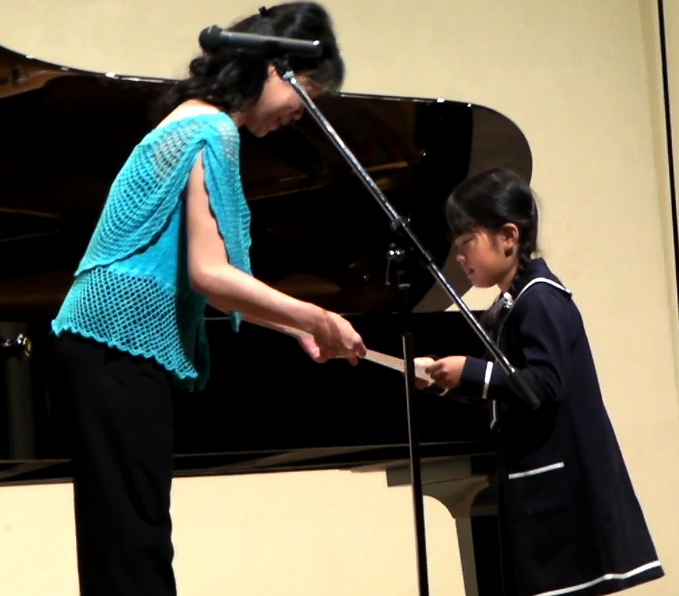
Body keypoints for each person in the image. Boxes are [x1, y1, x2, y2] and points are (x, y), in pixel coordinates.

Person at [50, 3, 366, 595]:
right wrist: (317, 314)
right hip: (117, 341)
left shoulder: (189, 118)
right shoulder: (213, 130)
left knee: (122, 534)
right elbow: (210, 275)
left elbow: (210, 282)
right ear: (274, 68)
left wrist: (298, 329)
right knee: (135, 538)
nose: (304, 112)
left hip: (102, 341)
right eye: (307, 92)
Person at [414, 168, 664, 596]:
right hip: (543, 483)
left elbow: (543, 385)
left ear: (509, 236)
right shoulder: (514, 303)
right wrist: (446, 380)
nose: (460, 257)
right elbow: (508, 392)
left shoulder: (541, 299)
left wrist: (471, 371)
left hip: (564, 488)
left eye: (467, 242)